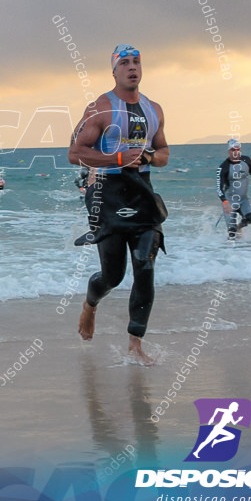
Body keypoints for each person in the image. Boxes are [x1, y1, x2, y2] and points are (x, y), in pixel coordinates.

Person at [69, 44, 169, 366]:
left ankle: (135, 344)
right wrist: (117, 158)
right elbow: (75, 152)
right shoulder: (101, 108)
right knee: (113, 276)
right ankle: (90, 305)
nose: (131, 67)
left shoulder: (154, 109)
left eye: (136, 61)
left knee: (145, 265)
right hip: (107, 194)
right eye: (124, 62)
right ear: (114, 71)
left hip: (142, 193)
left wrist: (150, 156)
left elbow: (164, 152)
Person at [217, 140, 251, 240]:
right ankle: (229, 253)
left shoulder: (247, 160)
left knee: (248, 219)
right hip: (230, 201)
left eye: (238, 149)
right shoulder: (224, 167)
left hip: (243, 200)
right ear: (229, 151)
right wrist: (225, 202)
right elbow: (219, 188)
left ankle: (239, 228)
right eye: (233, 150)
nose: (235, 152)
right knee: (232, 232)